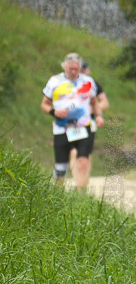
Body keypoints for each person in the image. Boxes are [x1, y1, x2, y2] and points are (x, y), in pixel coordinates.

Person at [41, 52, 102, 192]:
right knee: (61, 168)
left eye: (76, 69)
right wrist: (53, 112)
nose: (74, 72)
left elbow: (94, 102)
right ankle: (56, 194)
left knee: (83, 161)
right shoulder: (54, 81)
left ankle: (82, 194)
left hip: (83, 126)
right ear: (64, 67)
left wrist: (99, 116)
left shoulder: (88, 82)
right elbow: (44, 105)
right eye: (71, 69)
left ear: (80, 68)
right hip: (62, 128)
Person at [70, 58, 110, 178]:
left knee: (87, 155)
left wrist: (92, 109)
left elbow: (104, 102)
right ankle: (78, 181)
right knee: (74, 152)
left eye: (84, 69)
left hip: (88, 123)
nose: (82, 72)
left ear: (88, 71)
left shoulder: (93, 84)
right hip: (72, 123)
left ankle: (84, 180)